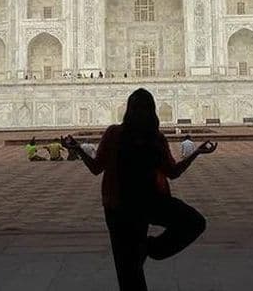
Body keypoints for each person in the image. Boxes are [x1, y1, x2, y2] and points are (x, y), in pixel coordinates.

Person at [64, 88, 217, 291]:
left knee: (128, 271)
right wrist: (196, 153)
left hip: (120, 207)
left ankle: (147, 248)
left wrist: (78, 151)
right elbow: (173, 172)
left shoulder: (116, 134)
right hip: (145, 204)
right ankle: (150, 248)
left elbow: (95, 168)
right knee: (192, 223)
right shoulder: (154, 138)